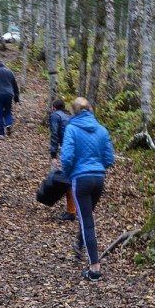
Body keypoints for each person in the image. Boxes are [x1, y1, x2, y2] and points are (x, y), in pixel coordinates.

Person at [60, 97, 114, 281]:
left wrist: (69, 174)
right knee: (86, 216)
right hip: (98, 179)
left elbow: (66, 157)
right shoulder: (102, 129)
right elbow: (109, 158)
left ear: (73, 112)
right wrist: (97, 168)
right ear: (89, 109)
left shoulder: (72, 128)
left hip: (80, 179)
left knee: (87, 222)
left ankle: (94, 269)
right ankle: (79, 244)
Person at [50, 98, 74, 221]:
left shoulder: (55, 116)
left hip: (68, 149)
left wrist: (53, 155)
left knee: (68, 178)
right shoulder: (69, 116)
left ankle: (71, 211)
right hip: (76, 148)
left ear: (54, 108)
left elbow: (54, 134)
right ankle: (76, 207)